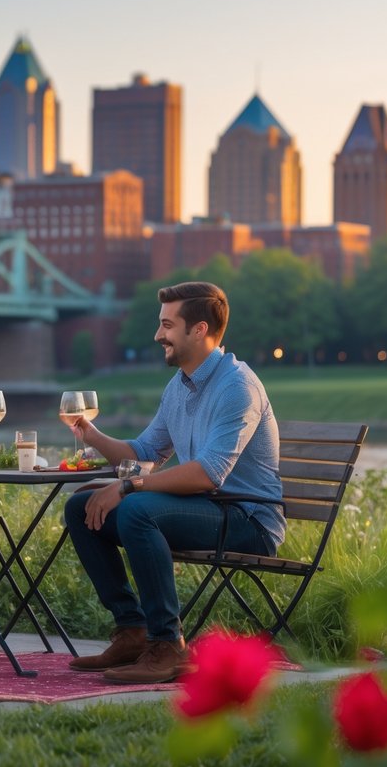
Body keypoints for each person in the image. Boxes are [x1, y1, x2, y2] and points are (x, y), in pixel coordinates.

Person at [63, 281, 285, 684]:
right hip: (211, 507)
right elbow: (146, 453)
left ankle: (168, 645)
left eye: (167, 325)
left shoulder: (238, 387)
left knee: (135, 509)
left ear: (198, 330)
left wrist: (128, 487)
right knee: (81, 507)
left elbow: (207, 472)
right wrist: (92, 435)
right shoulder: (180, 385)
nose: (157, 335)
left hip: (248, 518)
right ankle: (133, 631)